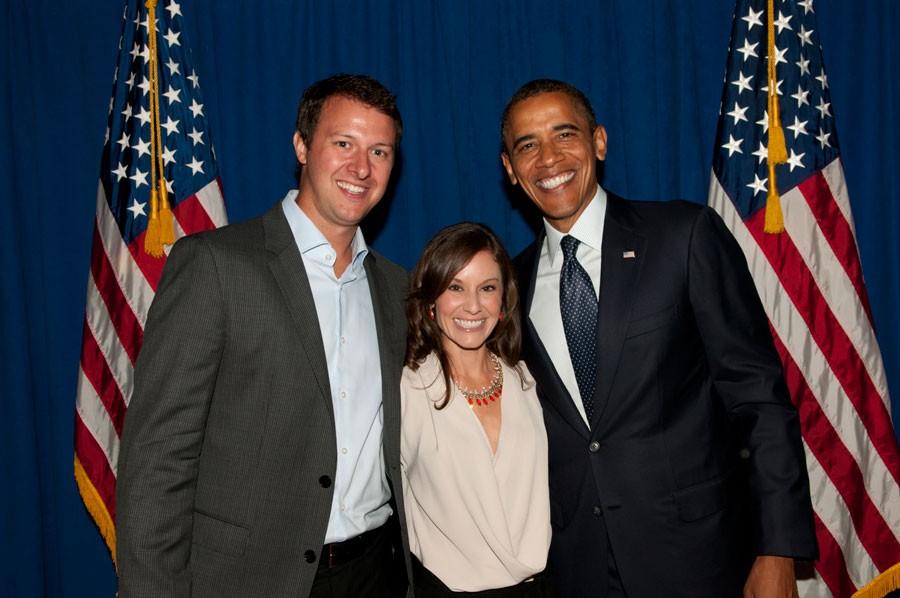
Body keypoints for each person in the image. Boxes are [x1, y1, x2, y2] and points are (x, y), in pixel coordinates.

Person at [499, 79, 818, 597]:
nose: (548, 158)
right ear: (511, 169)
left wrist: (777, 549)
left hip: (701, 560)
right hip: (578, 570)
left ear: (598, 141)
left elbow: (758, 398)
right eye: (527, 145)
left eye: (565, 134)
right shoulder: (508, 287)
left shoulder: (683, 236)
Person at [116, 74, 411, 598]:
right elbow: (158, 459)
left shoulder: (396, 288)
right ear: (301, 145)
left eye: (380, 151)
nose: (361, 168)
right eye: (343, 143)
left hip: (375, 575)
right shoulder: (216, 265)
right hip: (248, 581)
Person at [401, 222, 554, 597]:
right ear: (432, 301)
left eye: (487, 288)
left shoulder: (524, 379)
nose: (473, 305)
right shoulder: (409, 388)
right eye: (455, 287)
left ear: (503, 301)